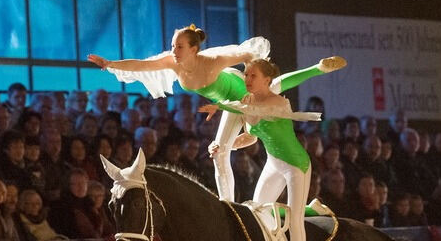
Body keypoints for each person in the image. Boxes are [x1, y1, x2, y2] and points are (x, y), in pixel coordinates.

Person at [90, 27, 345, 203]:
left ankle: (318, 68)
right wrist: (110, 64)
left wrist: (252, 84)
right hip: (227, 103)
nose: (174, 50)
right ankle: (228, 204)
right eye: (172, 46)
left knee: (274, 89)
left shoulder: (212, 60)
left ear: (194, 49)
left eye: (179, 46)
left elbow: (249, 55)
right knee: (218, 151)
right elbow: (142, 65)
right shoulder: (172, 62)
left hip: (238, 93)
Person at [203, 58, 324, 241]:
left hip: (295, 165)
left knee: (296, 220)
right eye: (246, 75)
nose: (246, 80)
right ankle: (312, 209)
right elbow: (252, 136)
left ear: (268, 80)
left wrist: (225, 106)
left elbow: (263, 113)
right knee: (258, 212)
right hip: (273, 164)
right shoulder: (248, 101)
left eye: (252, 76)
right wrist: (228, 144)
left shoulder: (279, 102)